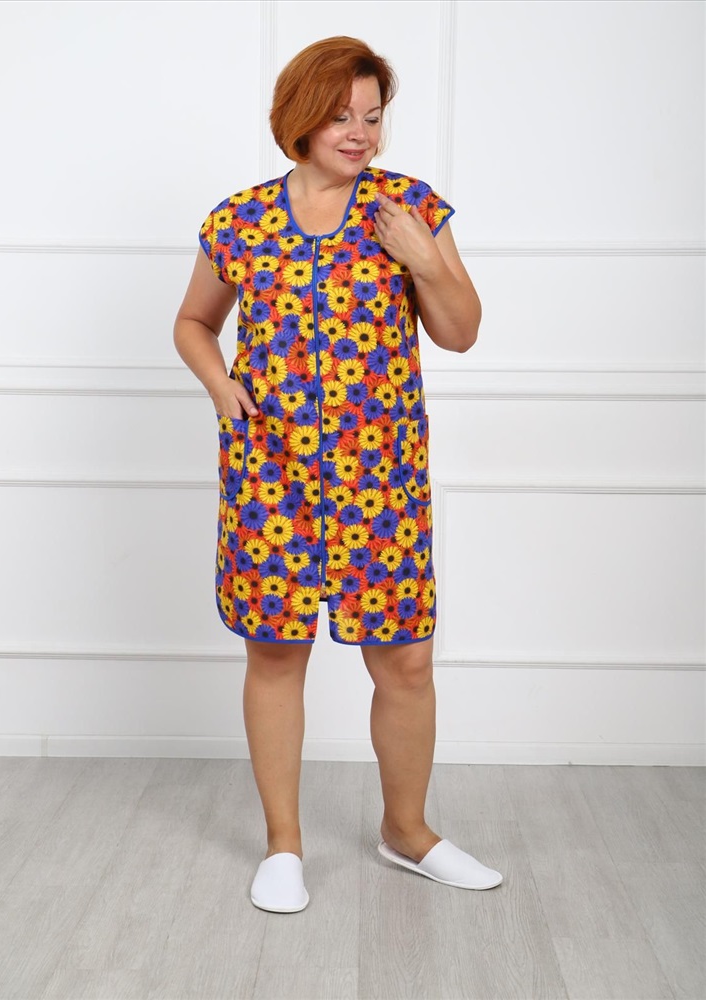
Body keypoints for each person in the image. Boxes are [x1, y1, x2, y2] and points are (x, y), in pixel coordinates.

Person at [174, 36, 503, 913]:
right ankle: (283, 846)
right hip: (271, 476)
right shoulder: (240, 221)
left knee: (406, 661)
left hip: (381, 480)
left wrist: (423, 257)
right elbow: (194, 323)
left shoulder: (409, 209)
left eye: (371, 115)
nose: (359, 132)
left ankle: (409, 833)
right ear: (299, 118)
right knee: (276, 652)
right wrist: (221, 387)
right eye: (340, 115)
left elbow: (461, 332)